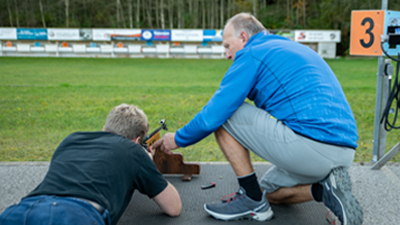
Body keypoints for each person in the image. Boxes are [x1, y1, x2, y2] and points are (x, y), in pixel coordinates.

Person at [153, 12, 363, 225]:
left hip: (312, 146)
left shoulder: (252, 52)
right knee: (270, 192)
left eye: (227, 46)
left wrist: (177, 138)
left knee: (228, 113)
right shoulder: (287, 46)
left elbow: (214, 114)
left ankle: (251, 200)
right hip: (344, 153)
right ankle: (326, 190)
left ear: (244, 37)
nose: (226, 54)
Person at [0, 103, 181, 225]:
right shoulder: (134, 151)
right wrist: (147, 162)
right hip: (76, 215)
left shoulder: (71, 139)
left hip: (23, 209)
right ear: (137, 140)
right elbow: (173, 207)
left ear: (104, 128)